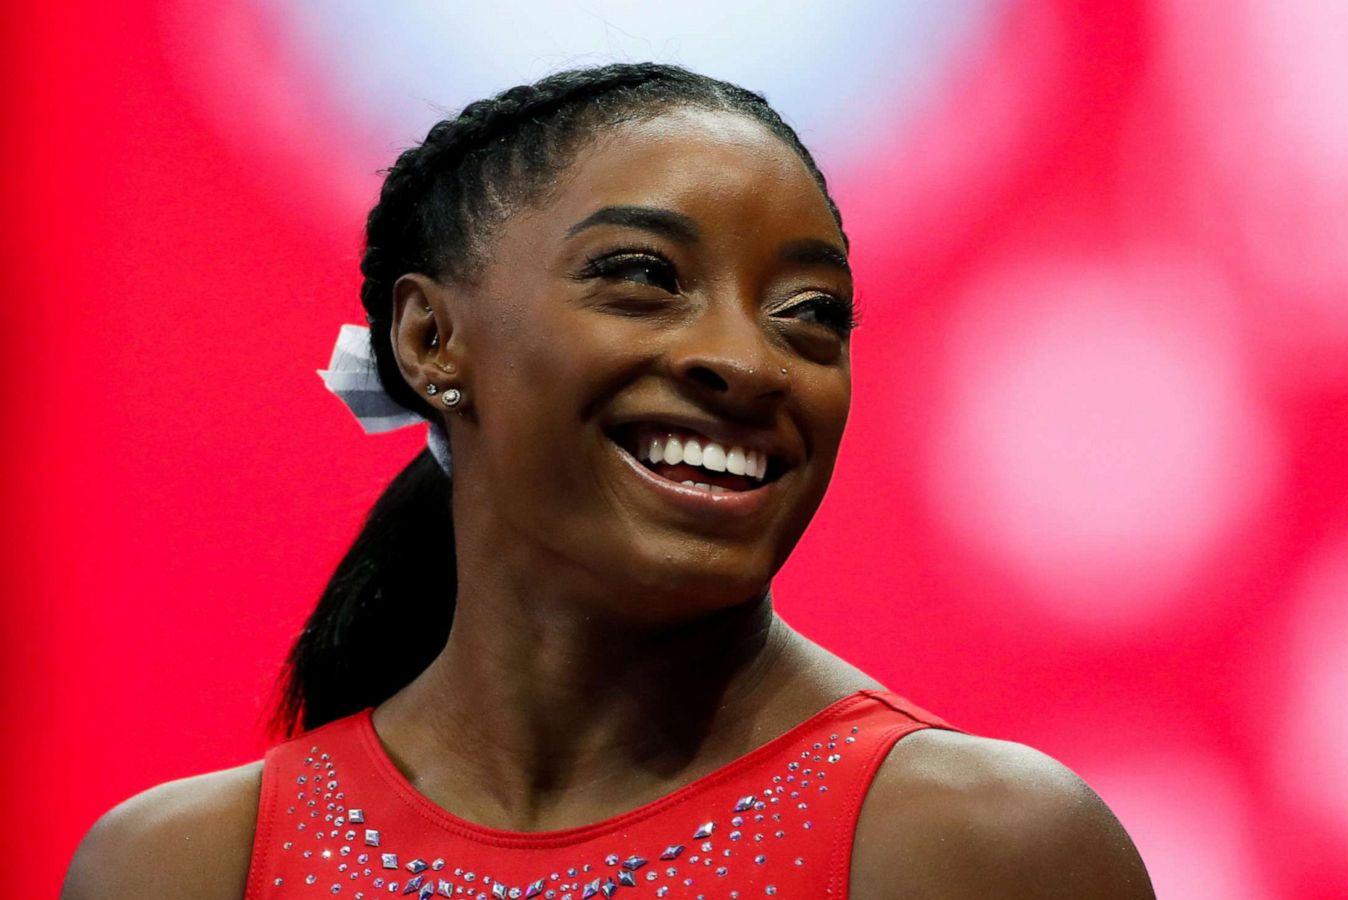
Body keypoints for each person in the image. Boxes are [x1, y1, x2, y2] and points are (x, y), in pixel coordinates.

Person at [61, 63, 1153, 900]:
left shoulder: (976, 846)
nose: (749, 361)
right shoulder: (183, 865)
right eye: (643, 276)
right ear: (430, 337)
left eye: (810, 314)